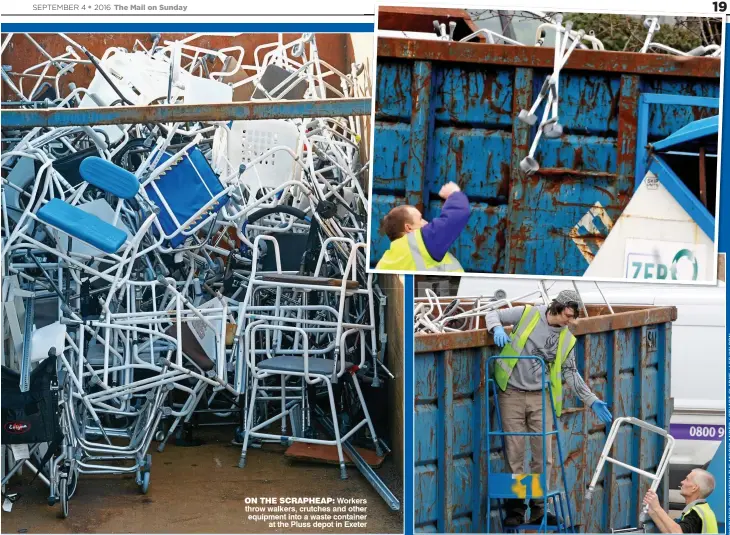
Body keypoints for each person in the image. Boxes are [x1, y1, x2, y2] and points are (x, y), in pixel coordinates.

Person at [486, 289, 613, 526]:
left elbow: (570, 373)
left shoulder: (567, 337)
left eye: (573, 317)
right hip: (511, 391)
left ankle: (539, 508)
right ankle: (515, 508)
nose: (569, 320)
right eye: (568, 314)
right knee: (514, 452)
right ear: (558, 306)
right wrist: (496, 329)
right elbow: (492, 313)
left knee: (543, 455)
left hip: (539, 396)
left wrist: (591, 399)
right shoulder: (528, 314)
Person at [375, 181, 470, 272]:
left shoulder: (384, 263)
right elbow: (457, 214)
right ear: (408, 228)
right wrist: (454, 193)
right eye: (420, 219)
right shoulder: (421, 242)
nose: (426, 222)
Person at [643, 469, 718, 533]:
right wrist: (652, 512)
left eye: (687, 479)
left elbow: (678, 532)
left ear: (694, 488)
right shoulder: (703, 510)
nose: (682, 482)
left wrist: (657, 508)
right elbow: (669, 532)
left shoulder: (696, 514)